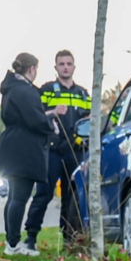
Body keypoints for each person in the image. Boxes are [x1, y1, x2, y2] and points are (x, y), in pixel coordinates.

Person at [0, 53, 66, 256]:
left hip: (11, 145)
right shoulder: (25, 91)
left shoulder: (11, 88)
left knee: (13, 196)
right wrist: (51, 125)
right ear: (32, 69)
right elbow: (35, 119)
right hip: (24, 149)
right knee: (19, 197)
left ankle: (11, 241)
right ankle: (13, 244)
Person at [35, 50, 90, 246]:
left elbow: (89, 120)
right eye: (61, 64)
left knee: (72, 197)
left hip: (75, 152)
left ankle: (69, 238)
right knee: (44, 194)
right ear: (56, 67)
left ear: (74, 67)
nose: (65, 67)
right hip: (52, 151)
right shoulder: (47, 90)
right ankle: (30, 237)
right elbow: (35, 115)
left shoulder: (82, 93)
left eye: (68, 64)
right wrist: (53, 111)